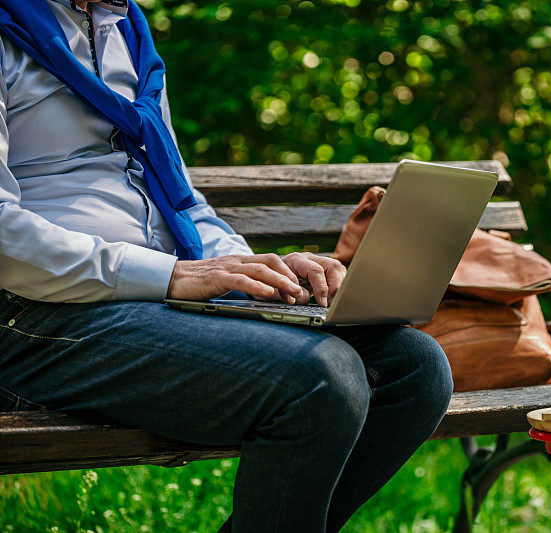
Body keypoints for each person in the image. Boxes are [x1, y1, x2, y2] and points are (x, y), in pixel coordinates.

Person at [0, 1, 453, 531]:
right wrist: (169, 276)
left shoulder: (127, 32)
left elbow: (181, 201)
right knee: (319, 380)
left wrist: (257, 269)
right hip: (36, 315)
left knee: (413, 368)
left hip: (151, 296)